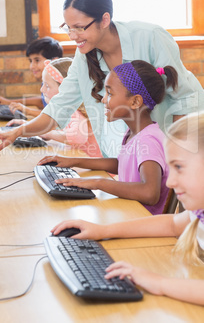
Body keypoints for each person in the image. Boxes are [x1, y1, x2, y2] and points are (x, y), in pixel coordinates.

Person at [0, 0, 204, 158]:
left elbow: (184, 97)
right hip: (124, 153)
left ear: (104, 20)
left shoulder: (149, 37)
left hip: (167, 148)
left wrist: (178, 151)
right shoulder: (84, 56)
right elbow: (59, 107)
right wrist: (18, 131)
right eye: (68, 28)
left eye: (79, 27)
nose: (73, 36)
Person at [50, 112, 204, 305]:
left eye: (179, 167)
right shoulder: (199, 214)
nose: (171, 182)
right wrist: (103, 230)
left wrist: (160, 283)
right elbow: (172, 224)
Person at [38, 60, 177, 215]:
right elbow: (123, 164)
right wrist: (74, 161)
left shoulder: (148, 140)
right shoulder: (135, 132)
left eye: (110, 93)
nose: (104, 99)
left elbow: (149, 193)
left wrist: (98, 183)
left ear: (135, 101)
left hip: (142, 220)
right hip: (130, 213)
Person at [38, 58, 101, 157]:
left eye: (47, 86)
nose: (42, 89)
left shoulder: (74, 111)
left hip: (100, 169)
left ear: (66, 90)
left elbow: (78, 137)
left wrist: (49, 134)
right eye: (43, 84)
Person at [0, 36, 63, 118]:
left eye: (37, 60)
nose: (32, 66)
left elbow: (56, 114)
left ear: (54, 60)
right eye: (31, 61)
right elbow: (43, 101)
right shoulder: (47, 81)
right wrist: (9, 102)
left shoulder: (60, 84)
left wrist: (27, 110)